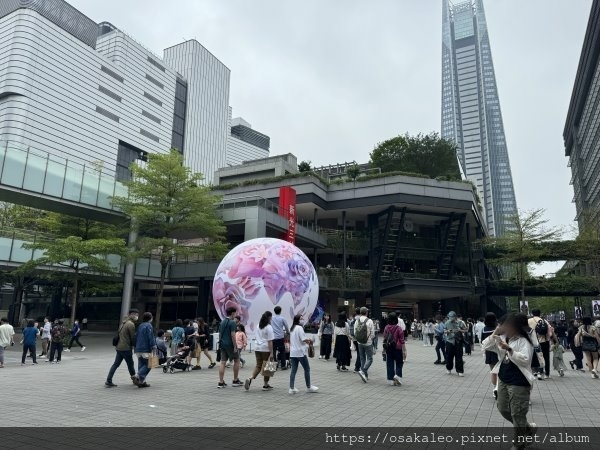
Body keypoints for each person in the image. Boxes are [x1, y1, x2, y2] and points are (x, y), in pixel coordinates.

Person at [482, 313, 536, 447]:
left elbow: (525, 360)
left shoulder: (523, 340)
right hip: (504, 378)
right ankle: (528, 428)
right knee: (503, 408)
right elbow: (485, 345)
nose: (503, 327)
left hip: (519, 380)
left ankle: (519, 443)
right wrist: (495, 332)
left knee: (517, 413)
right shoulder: (502, 337)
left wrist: (509, 349)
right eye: (502, 325)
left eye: (506, 325)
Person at [106, 309, 138, 387]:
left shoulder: (123, 323)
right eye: (136, 314)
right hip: (126, 348)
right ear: (131, 314)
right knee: (130, 364)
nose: (137, 316)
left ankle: (108, 380)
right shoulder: (130, 324)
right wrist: (135, 346)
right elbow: (132, 337)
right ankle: (134, 380)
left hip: (119, 347)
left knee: (116, 364)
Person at [288, 314, 319, 394]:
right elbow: (303, 339)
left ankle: (291, 388)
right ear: (298, 320)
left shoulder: (292, 328)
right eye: (301, 318)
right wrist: (310, 340)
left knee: (293, 370)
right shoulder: (299, 328)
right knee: (307, 369)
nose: (302, 319)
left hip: (293, 352)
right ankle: (309, 387)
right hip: (300, 352)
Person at [245, 311, 275, 391]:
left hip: (257, 348)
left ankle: (250, 378)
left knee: (258, 365)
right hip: (265, 348)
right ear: (269, 318)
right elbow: (270, 341)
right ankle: (265, 385)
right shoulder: (269, 327)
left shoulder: (258, 325)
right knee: (268, 366)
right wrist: (271, 353)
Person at [218, 306, 243, 388]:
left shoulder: (222, 322)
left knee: (223, 362)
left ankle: (221, 382)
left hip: (222, 344)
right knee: (237, 361)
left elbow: (220, 334)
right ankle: (235, 380)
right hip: (230, 345)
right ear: (232, 313)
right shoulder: (232, 322)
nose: (236, 314)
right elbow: (233, 335)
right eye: (235, 313)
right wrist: (235, 346)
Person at [132, 312, 156, 388]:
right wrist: (153, 345)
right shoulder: (148, 325)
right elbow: (150, 337)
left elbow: (135, 336)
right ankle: (138, 376)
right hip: (145, 348)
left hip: (138, 348)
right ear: (150, 318)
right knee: (149, 364)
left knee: (141, 365)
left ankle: (141, 382)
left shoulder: (140, 325)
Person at [383, 313, 407, 386]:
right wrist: (404, 350)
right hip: (398, 348)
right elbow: (402, 340)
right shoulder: (399, 328)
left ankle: (390, 380)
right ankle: (397, 376)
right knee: (399, 362)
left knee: (389, 363)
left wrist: (383, 350)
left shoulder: (386, 327)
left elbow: (385, 339)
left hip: (389, 348)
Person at [528, 309, 552, 380]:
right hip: (544, 341)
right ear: (539, 313)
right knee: (546, 357)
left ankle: (537, 372)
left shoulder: (529, 321)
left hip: (533, 342)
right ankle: (546, 373)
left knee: (535, 357)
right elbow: (550, 332)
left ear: (532, 314)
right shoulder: (544, 321)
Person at [481, 312, 499, 398]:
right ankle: (499, 388)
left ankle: (495, 388)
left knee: (493, 371)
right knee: (500, 371)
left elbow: (482, 341)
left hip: (489, 352)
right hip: (499, 351)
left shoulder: (484, 329)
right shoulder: (498, 328)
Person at [353, 307, 374, 383]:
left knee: (362, 358)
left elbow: (355, 332)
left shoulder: (357, 320)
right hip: (368, 342)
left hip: (359, 342)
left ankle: (365, 375)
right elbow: (372, 333)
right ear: (366, 312)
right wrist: (370, 339)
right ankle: (363, 371)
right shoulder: (369, 321)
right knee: (370, 359)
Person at [444, 311, 467, 376]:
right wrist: (447, 331)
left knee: (459, 356)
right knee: (449, 356)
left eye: (452, 317)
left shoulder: (461, 322)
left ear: (455, 317)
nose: (451, 318)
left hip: (458, 341)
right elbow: (444, 331)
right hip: (449, 341)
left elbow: (466, 330)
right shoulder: (446, 323)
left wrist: (460, 330)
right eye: (450, 317)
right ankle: (449, 368)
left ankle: (460, 371)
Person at [271, 306, 290, 370]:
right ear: (280, 311)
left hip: (273, 337)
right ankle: (283, 365)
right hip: (280, 337)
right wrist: (287, 332)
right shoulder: (282, 318)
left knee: (273, 351)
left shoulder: (271, 318)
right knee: (282, 351)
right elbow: (286, 327)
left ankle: (274, 365)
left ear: (274, 311)